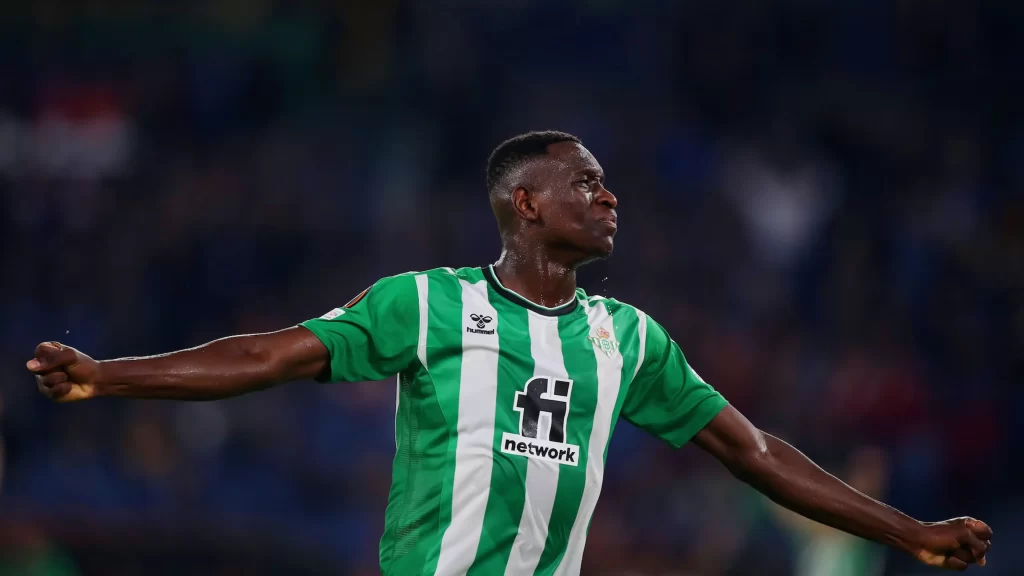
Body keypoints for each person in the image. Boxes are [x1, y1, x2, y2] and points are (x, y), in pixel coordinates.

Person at [26, 131, 992, 575]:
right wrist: (111, 375)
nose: (610, 198)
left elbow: (758, 454)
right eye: (587, 182)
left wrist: (906, 532)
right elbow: (270, 356)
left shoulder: (631, 339)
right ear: (525, 202)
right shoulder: (427, 303)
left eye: (610, 186)